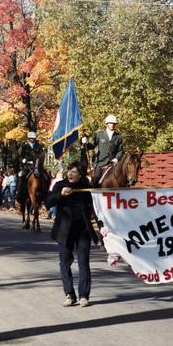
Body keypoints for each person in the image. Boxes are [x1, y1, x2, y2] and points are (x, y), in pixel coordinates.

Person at [45, 161, 99, 308]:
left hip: (83, 230)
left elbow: (96, 207)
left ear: (80, 174)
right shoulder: (60, 185)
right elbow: (48, 202)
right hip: (64, 230)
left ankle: (84, 295)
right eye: (69, 170)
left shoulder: (87, 187)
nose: (70, 173)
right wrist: (60, 195)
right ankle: (69, 294)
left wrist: (101, 226)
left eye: (74, 171)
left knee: (83, 263)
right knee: (64, 263)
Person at [82, 114, 124, 187]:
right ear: (107, 124)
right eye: (110, 123)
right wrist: (86, 142)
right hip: (101, 163)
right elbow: (92, 146)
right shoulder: (99, 135)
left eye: (114, 123)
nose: (112, 125)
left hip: (113, 163)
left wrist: (116, 159)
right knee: (96, 179)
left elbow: (120, 151)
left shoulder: (118, 136)